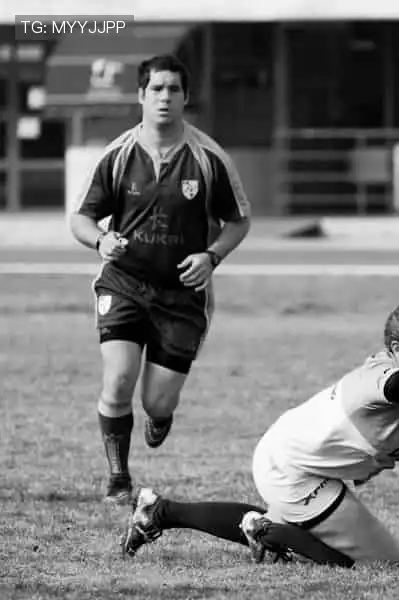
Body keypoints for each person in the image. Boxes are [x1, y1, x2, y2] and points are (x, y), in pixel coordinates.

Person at [121, 301, 399, 567]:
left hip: (306, 461)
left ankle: (160, 511)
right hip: (290, 467)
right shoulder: (375, 381)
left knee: (323, 535)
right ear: (397, 350)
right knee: (381, 559)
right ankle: (266, 531)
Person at [67, 54, 252, 504]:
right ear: (140, 95)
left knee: (157, 401)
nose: (164, 97)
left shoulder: (209, 159)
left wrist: (211, 256)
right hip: (124, 283)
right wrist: (100, 241)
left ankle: (161, 414)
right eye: (156, 89)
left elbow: (239, 221)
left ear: (186, 97)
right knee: (118, 379)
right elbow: (81, 218)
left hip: (182, 295)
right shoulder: (118, 155)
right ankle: (118, 479)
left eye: (173, 89)